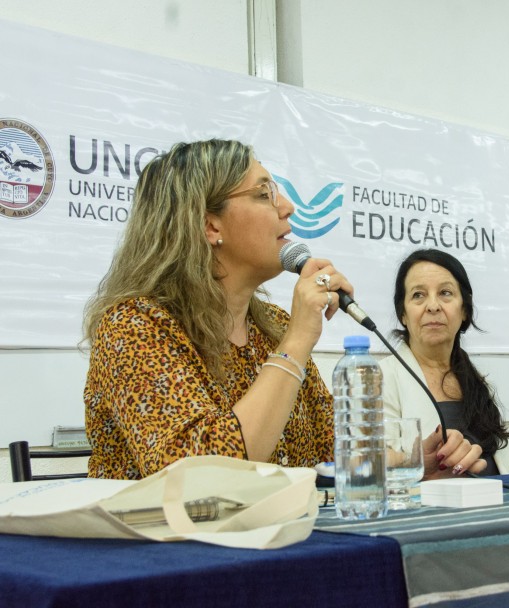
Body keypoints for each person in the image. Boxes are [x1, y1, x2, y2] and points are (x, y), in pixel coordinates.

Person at [83, 139, 485, 480]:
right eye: (264, 194)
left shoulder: (271, 325)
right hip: (158, 559)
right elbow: (202, 475)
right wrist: (298, 338)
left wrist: (416, 463)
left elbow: (334, 448)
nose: (288, 207)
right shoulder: (134, 325)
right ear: (210, 226)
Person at [380, 248, 509, 475]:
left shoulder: (476, 382)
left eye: (445, 293)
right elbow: (366, 466)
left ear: (464, 309)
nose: (433, 306)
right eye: (418, 295)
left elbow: (507, 467)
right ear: (402, 314)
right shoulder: (379, 378)